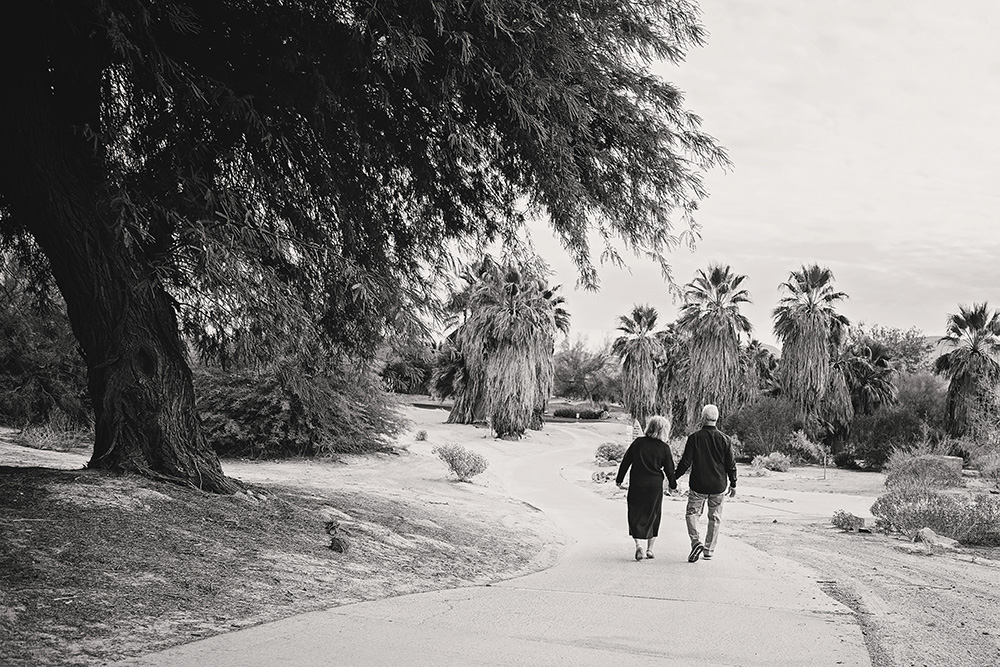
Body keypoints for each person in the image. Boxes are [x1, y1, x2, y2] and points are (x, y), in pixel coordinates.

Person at [674, 404, 737, 563]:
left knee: (692, 514)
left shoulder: (694, 438)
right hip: (718, 485)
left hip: (698, 485)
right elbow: (731, 464)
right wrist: (733, 483)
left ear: (703, 418)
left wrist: (674, 477)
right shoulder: (725, 439)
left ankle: (696, 542)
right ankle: (708, 550)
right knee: (715, 518)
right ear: (717, 418)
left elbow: (685, 462)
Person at [615, 415, 677, 561]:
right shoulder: (664, 448)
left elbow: (626, 461)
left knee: (635, 512)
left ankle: (638, 545)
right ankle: (650, 549)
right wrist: (673, 486)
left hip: (637, 482)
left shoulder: (638, 443)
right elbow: (670, 470)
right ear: (664, 431)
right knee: (654, 514)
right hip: (654, 485)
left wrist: (619, 480)